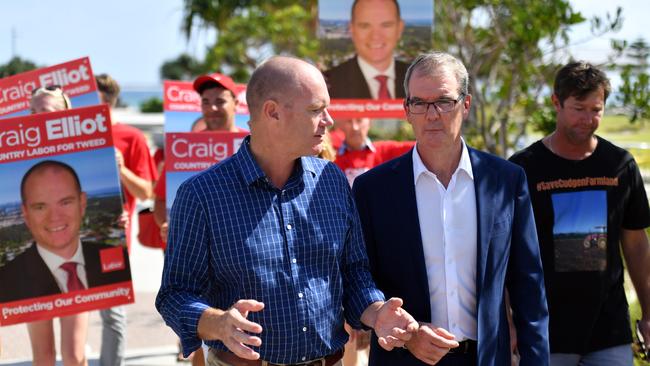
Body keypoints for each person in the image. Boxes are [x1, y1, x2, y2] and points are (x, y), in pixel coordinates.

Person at [156, 56, 418, 366]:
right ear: (272, 112)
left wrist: (376, 312)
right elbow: (174, 295)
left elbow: (353, 272)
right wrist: (218, 323)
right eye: (316, 110)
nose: (329, 120)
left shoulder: (330, 180)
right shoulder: (201, 195)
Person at [352, 51, 550, 365]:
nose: (432, 114)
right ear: (407, 110)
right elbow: (357, 280)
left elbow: (529, 285)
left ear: (466, 105)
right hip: (403, 359)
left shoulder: (506, 181)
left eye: (444, 101)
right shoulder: (371, 190)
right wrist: (405, 333)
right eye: (419, 103)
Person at [509, 61, 650, 365]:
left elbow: (637, 245)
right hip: (542, 331)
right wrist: (507, 321)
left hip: (608, 330)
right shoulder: (523, 168)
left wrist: (649, 314)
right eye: (578, 108)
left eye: (596, 110)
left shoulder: (620, 165)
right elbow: (505, 252)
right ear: (556, 103)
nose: (588, 119)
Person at [0, 159, 131, 365]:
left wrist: (117, 217)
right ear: (25, 212)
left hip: (80, 282)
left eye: (65, 202)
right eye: (40, 206)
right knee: (44, 356)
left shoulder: (103, 255)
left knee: (74, 356)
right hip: (32, 284)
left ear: (83, 202)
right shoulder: (12, 275)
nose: (55, 217)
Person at [95, 74, 157, 366]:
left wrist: (121, 168)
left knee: (112, 316)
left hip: (112, 241)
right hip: (65, 238)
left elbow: (146, 191)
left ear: (104, 103)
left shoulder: (130, 137)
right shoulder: (64, 139)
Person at [324, 0, 408, 99]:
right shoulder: (328, 84)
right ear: (352, 29)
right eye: (365, 26)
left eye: (386, 25)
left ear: (400, 28)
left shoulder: (420, 78)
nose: (375, 36)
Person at [335, 117, 414, 186]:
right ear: (341, 125)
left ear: (369, 123)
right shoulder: (331, 156)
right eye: (349, 121)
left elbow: (421, 146)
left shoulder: (384, 150)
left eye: (359, 121)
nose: (355, 127)